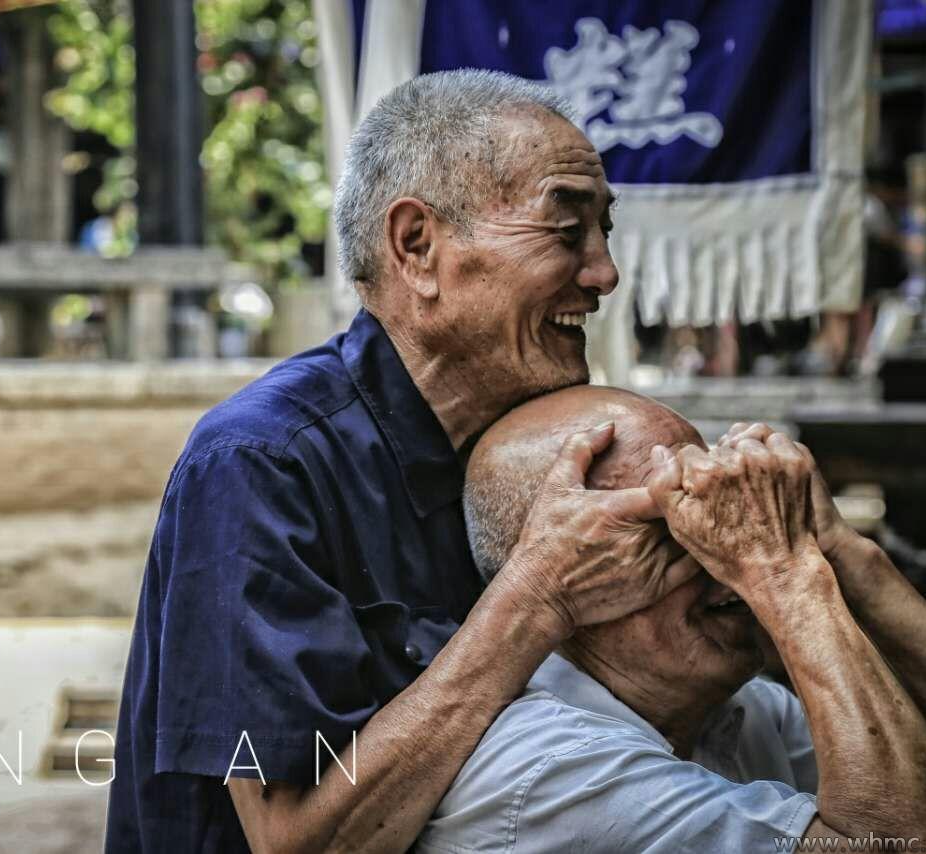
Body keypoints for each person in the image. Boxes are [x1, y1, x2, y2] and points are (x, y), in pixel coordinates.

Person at [106, 70, 701, 852]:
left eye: (604, 233)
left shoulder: (527, 446)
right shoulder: (262, 463)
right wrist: (533, 600)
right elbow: (298, 838)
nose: (603, 274)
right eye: (566, 231)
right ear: (418, 247)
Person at [419, 385, 926, 853]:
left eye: (713, 512)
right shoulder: (556, 771)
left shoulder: (737, 708)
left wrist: (843, 553)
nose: (724, 551)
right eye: (669, 530)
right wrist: (781, 569)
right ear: (564, 572)